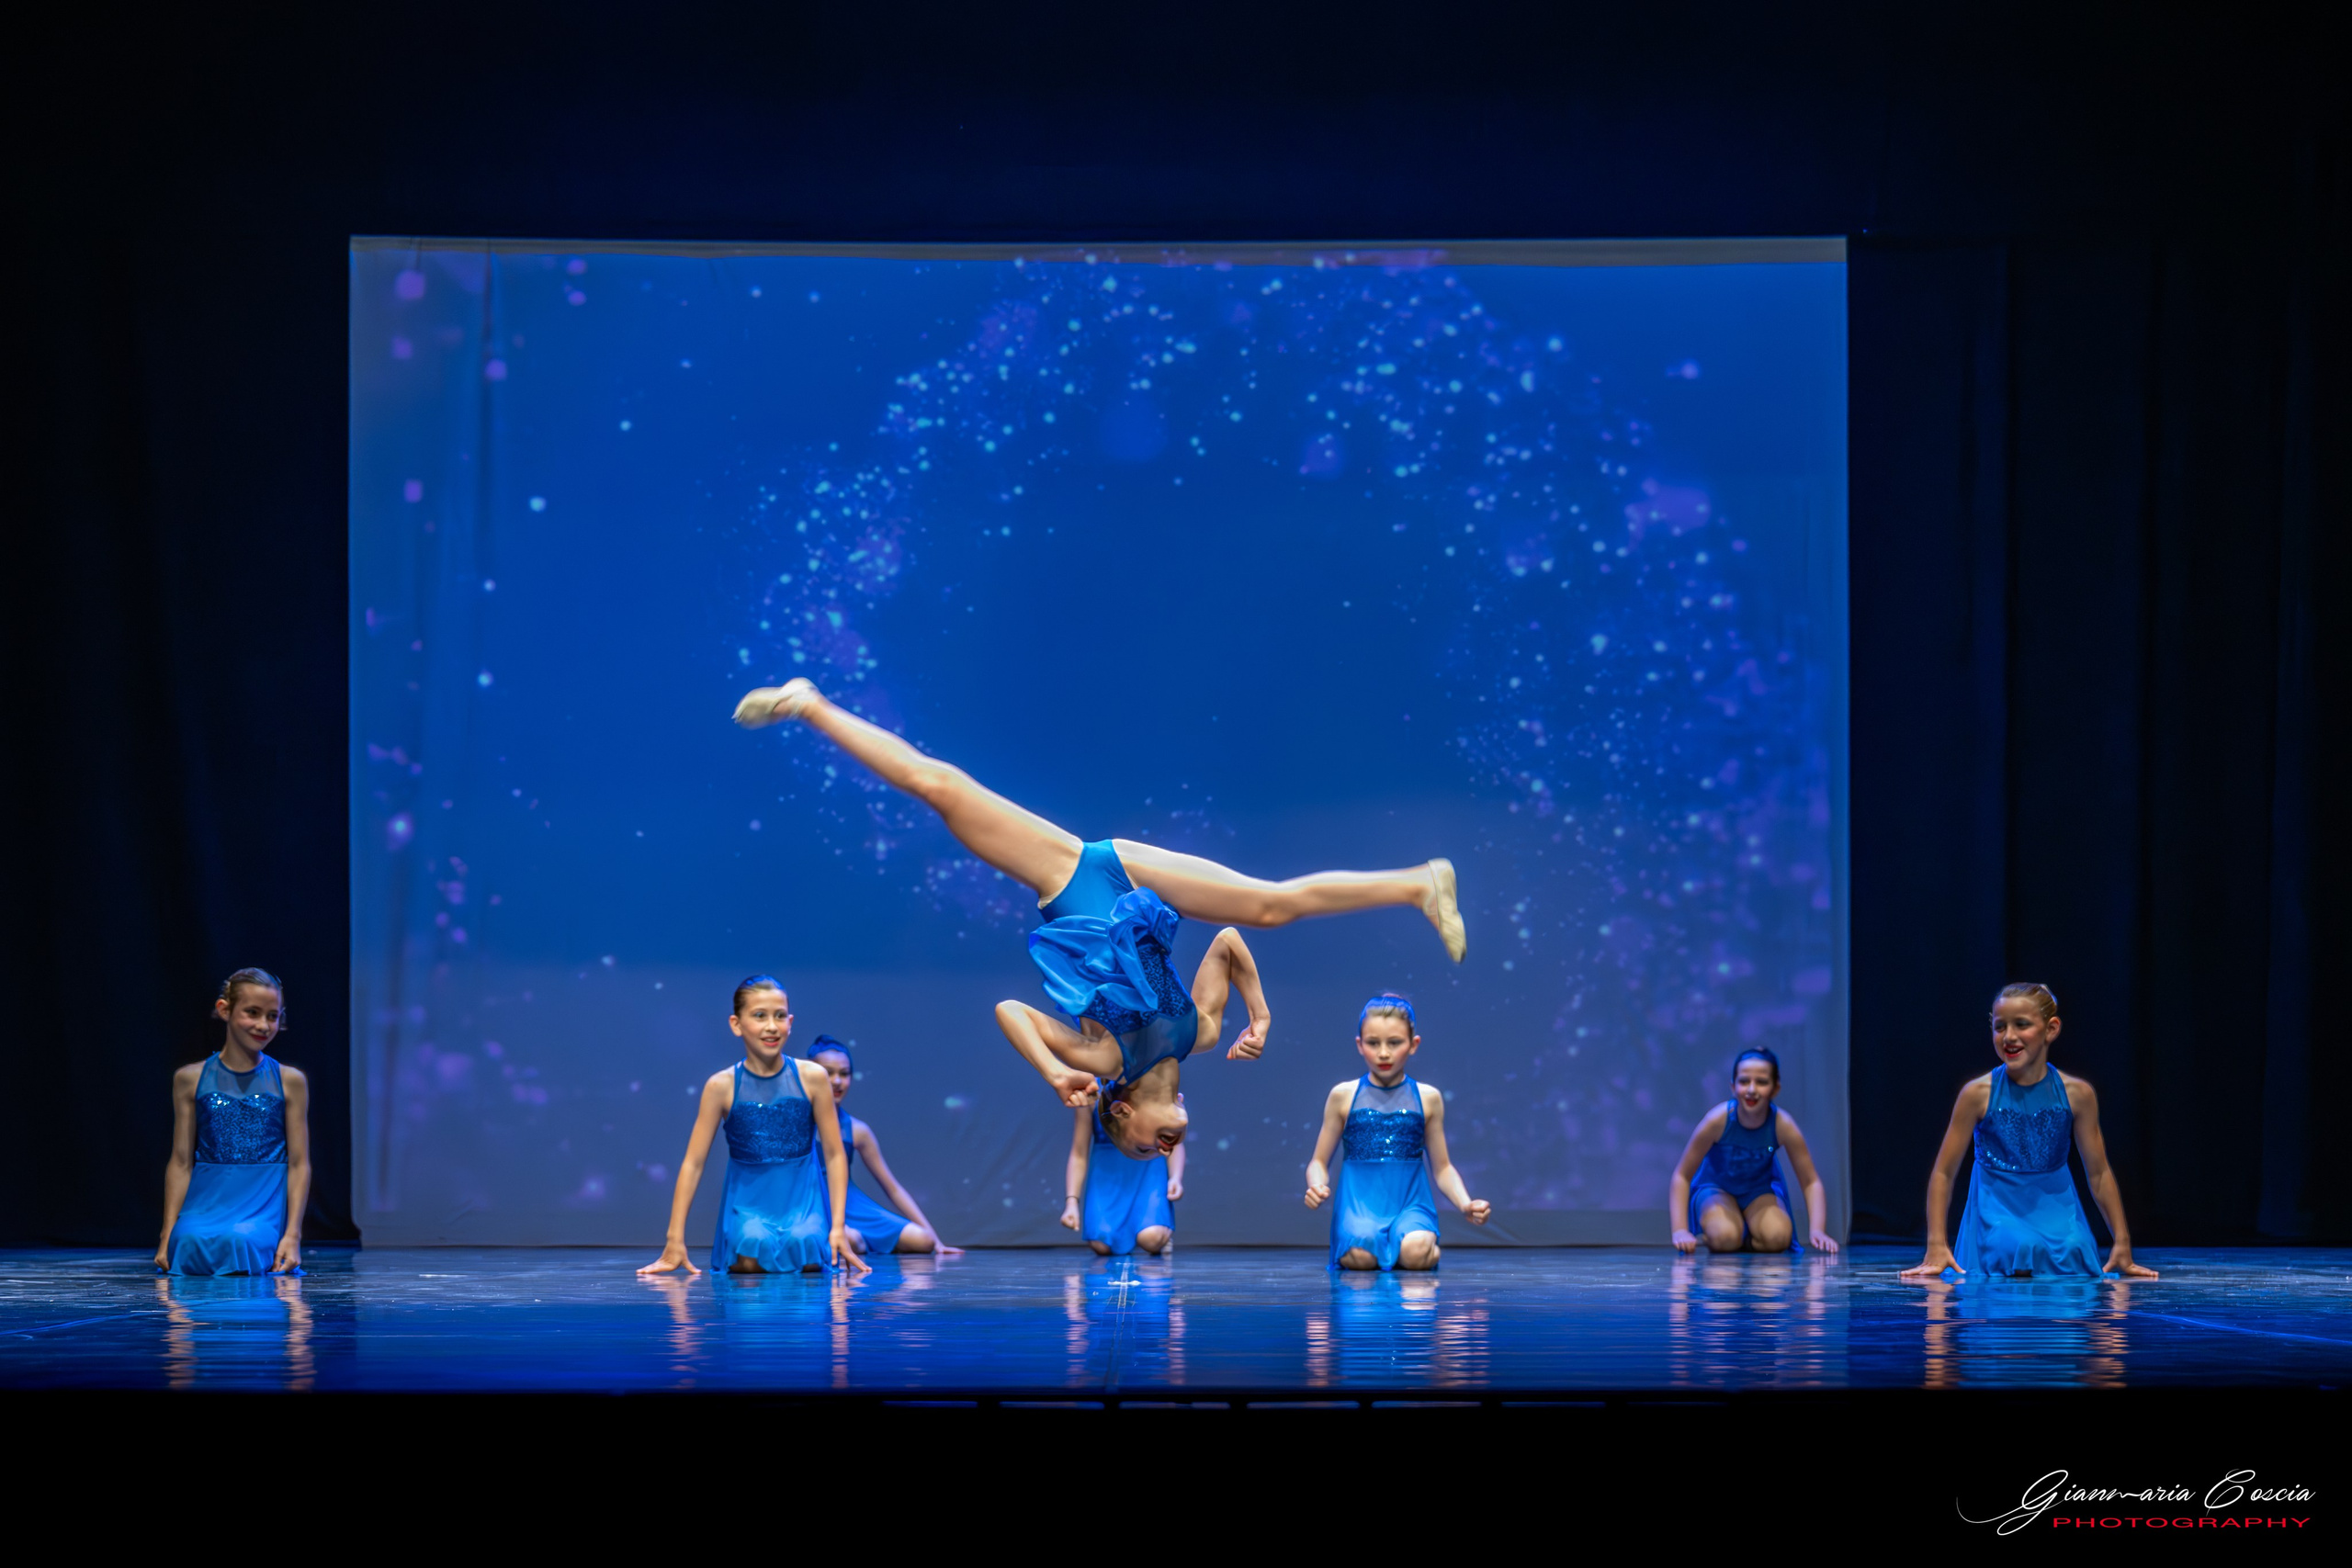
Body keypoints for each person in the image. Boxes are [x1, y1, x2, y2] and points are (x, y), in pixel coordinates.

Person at [734, 679, 1464, 1150]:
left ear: (1121, 1114)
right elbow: (1234, 943)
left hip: (1070, 874)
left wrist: (1055, 1072)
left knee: (940, 787)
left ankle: (810, 704)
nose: (1165, 1146)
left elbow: (1008, 1010)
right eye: (1166, 1149)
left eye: (1151, 1145)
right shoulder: (1198, 1037)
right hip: (1131, 877)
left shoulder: (1100, 1059)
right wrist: (1262, 1014)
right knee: (1272, 905)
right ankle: (1415, 884)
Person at [1900, 984, 2157, 1280]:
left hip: (2056, 1208)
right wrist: (1935, 1245)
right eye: (1999, 1027)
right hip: (1998, 1209)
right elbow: (1943, 1173)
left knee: (2074, 1248)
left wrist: (2122, 1242)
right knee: (2021, 1246)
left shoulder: (2077, 1094)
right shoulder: (1977, 1094)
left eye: (2021, 1025)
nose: (2009, 1036)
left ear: (2051, 1029)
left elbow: (2099, 1174)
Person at [639, 976, 869, 1276]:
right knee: (752, 1243)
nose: (772, 1026)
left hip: (802, 1201)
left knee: (807, 1242)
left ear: (790, 1021)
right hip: (749, 1205)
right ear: (736, 1024)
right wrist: (674, 1239)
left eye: (780, 1016)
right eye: (760, 1016)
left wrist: (837, 1227)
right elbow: (693, 1163)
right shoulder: (721, 1086)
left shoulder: (813, 1077)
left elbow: (836, 1155)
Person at [1304, 995, 1488, 1269]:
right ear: (1359, 1045)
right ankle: (1384, 1248)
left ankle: (1411, 1246)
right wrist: (1316, 1185)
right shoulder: (1343, 1095)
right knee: (1361, 1257)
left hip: (1410, 1203)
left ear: (1413, 1045)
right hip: (1360, 1205)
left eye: (1394, 1043)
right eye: (1373, 1043)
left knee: (1415, 1254)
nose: (1383, 1053)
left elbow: (1443, 1168)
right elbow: (1319, 1161)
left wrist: (1465, 1204)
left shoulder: (1428, 1098)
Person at [158, 968, 311, 1275]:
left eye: (272, 1016)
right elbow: (180, 1162)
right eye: (252, 1013)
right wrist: (166, 1233)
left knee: (239, 1240)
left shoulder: (289, 1081)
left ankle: (246, 1320)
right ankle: (198, 1323)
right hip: (208, 1198)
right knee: (187, 1240)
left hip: (261, 1201)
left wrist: (292, 1235)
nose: (263, 1025)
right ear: (224, 1010)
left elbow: (299, 1164)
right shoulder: (190, 1079)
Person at [1667, 1047, 1839, 1254]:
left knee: (1777, 1238)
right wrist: (1679, 1230)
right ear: (1733, 1086)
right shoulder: (1718, 1120)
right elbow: (1682, 1175)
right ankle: (1729, 1231)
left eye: (1762, 1082)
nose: (1751, 1089)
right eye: (1744, 1081)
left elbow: (1810, 1181)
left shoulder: (1782, 1125)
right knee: (1724, 1236)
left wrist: (1817, 1231)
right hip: (1715, 1189)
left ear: (1775, 1088)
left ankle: (1746, 1235)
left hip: (1758, 1192)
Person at [806, 1035, 960, 1258]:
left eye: (844, 1073)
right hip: (814, 1202)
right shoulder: (797, 1122)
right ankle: (851, 1242)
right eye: (828, 1073)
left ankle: (862, 1243)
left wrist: (936, 1241)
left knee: (923, 1240)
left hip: (853, 1205)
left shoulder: (856, 1129)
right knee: (852, 1240)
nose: (837, 1081)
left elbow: (893, 1188)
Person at [1063, 1100, 1183, 1256]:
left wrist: (1175, 1177)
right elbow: (1079, 1153)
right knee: (1101, 1243)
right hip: (1107, 1173)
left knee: (1151, 1238)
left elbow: (1173, 1140)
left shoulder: (1152, 1084)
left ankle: (1160, 1234)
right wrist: (1071, 1201)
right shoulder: (1090, 1090)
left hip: (1147, 1166)